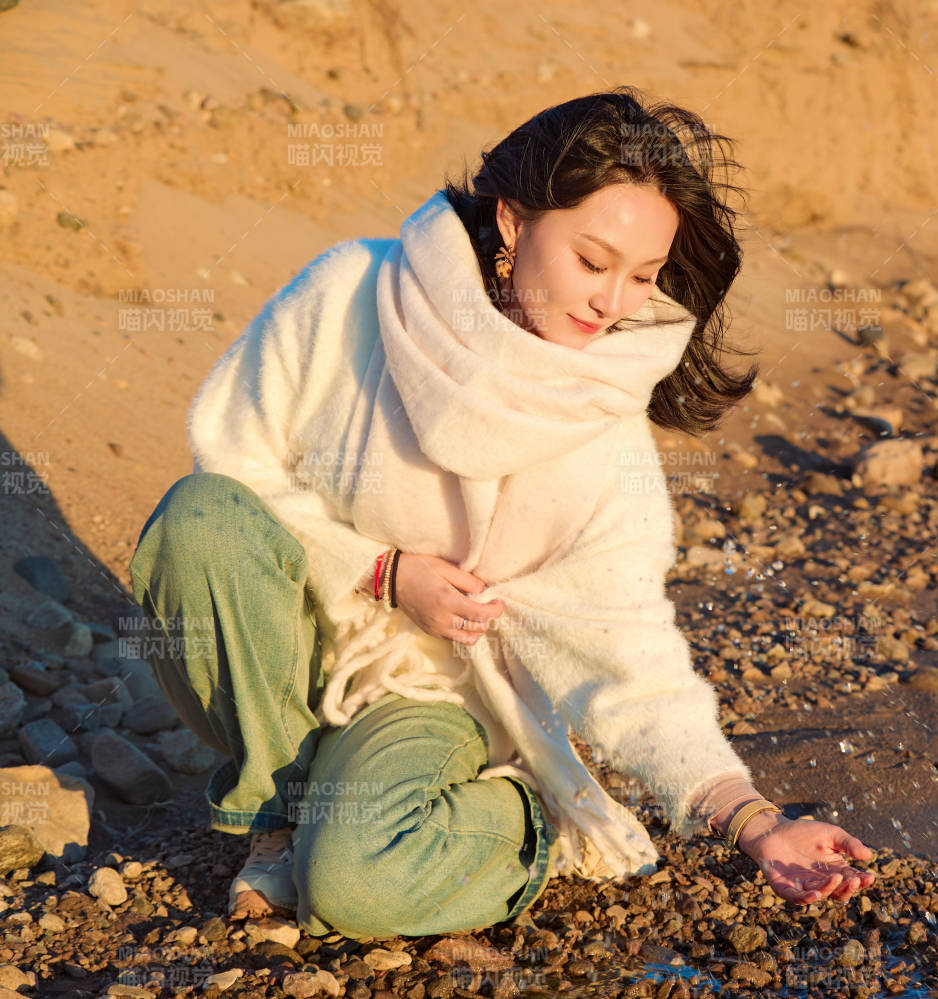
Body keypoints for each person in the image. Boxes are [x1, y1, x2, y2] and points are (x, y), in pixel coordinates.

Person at [127, 87, 875, 941]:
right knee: (199, 521)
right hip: (282, 653)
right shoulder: (350, 293)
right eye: (593, 262)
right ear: (514, 225)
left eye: (642, 276)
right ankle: (281, 809)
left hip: (424, 694)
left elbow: (628, 651)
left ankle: (519, 821)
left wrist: (752, 818)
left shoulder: (604, 425)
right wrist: (381, 572)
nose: (612, 302)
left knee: (352, 890)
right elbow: (229, 459)